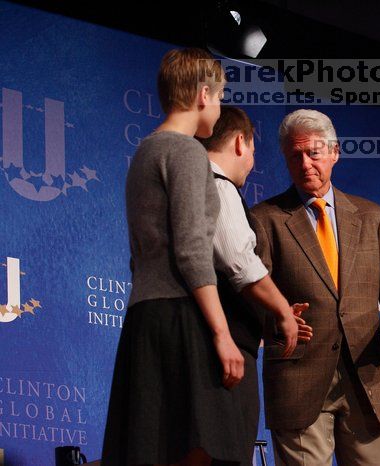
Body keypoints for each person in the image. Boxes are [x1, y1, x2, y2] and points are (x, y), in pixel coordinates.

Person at [101, 48, 297, 466]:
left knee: (155, 450)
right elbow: (193, 250)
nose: (220, 105)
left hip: (145, 318)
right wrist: (222, 334)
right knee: (202, 451)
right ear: (204, 94)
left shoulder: (145, 151)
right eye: (222, 95)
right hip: (181, 321)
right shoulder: (187, 151)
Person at [250, 109, 380, 466]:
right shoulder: (265, 219)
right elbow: (252, 293)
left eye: (313, 153)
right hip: (299, 377)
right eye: (294, 155)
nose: (305, 163)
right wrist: (275, 319)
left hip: (368, 377)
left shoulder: (370, 215)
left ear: (334, 152)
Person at [197, 106, 313, 465]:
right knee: (225, 455)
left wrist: (271, 316)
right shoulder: (220, 188)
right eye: (253, 150)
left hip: (218, 349)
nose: (252, 161)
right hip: (222, 360)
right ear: (238, 142)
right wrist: (280, 308)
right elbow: (239, 262)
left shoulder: (195, 187)